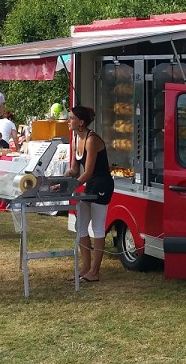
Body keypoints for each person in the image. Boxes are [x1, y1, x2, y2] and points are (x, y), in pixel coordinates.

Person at [67, 105, 114, 283]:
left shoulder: (91, 140)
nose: (68, 121)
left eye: (71, 118)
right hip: (90, 184)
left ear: (81, 122)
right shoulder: (75, 138)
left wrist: (71, 186)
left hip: (102, 184)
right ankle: (85, 268)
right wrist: (60, 180)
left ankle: (95, 271)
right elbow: (74, 170)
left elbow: (88, 172)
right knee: (80, 226)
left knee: (98, 227)